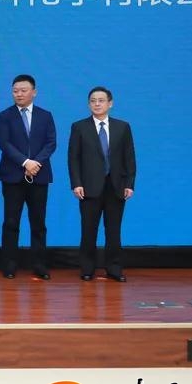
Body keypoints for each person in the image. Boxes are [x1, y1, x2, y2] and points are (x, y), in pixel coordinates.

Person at [68, 86, 136, 282]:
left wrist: (129, 183)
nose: (97, 104)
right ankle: (87, 268)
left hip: (116, 186)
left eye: (101, 100)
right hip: (88, 187)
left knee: (113, 230)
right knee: (88, 230)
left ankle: (114, 269)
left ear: (110, 103)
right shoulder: (79, 127)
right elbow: (73, 158)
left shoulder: (123, 127)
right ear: (88, 104)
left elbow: (129, 157)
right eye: (93, 101)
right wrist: (76, 183)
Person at [0, 74, 56, 280]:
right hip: (13, 176)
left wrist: (35, 163)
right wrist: (25, 162)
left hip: (39, 175)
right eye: (15, 91)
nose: (19, 94)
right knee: (11, 222)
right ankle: (9, 265)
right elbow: (5, 144)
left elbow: (51, 143)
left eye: (23, 90)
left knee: (38, 223)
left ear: (34, 92)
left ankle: (39, 265)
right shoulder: (5, 116)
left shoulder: (45, 116)